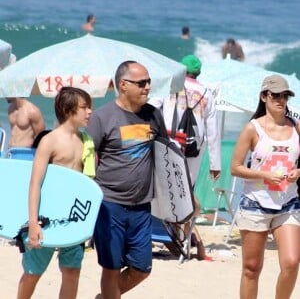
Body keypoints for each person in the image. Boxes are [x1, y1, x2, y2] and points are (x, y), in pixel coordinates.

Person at [87, 60, 168, 299]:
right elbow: (86, 157)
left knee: (142, 268)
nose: (147, 88)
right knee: (111, 267)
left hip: (142, 206)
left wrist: (182, 193)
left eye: (149, 82)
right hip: (109, 204)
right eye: (141, 83)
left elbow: (165, 154)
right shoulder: (102, 117)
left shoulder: (153, 114)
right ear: (123, 85)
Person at [17, 87, 94, 299]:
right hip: (46, 217)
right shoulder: (50, 140)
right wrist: (33, 223)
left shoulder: (86, 141)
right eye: (85, 107)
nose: (89, 112)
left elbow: (87, 185)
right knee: (33, 272)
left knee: (72, 271)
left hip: (73, 217)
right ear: (68, 109)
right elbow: (35, 183)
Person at [231, 74, 300, 299]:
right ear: (264, 97)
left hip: (288, 203)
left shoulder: (296, 126)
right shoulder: (253, 129)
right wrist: (264, 174)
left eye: (285, 96)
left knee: (291, 263)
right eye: (276, 95)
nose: (281, 100)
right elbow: (235, 167)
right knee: (252, 268)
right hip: (255, 204)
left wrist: (299, 172)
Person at [148, 54, 221, 260]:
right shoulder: (207, 93)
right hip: (192, 150)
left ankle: (167, 233)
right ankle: (182, 236)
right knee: (185, 191)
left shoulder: (170, 85)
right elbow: (213, 131)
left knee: (161, 187)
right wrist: (216, 164)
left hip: (167, 143)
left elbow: (152, 108)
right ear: (198, 73)